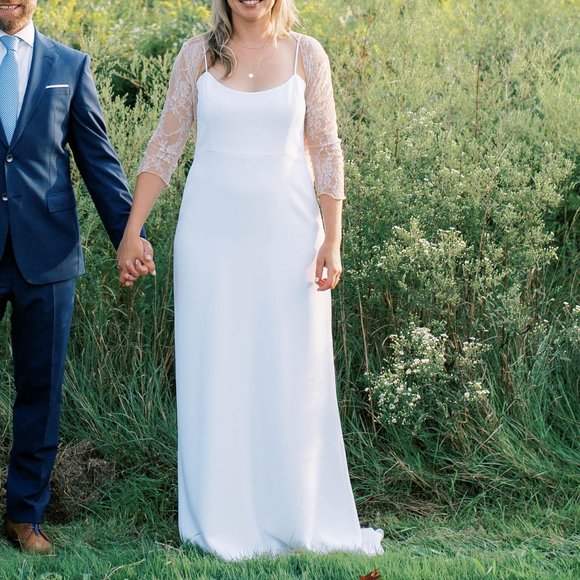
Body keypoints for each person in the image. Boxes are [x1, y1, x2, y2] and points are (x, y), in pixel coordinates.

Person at [117, 0, 383, 560]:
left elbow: (326, 148)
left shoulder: (308, 55)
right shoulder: (195, 55)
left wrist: (332, 240)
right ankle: (221, 518)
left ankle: (294, 513)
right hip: (209, 240)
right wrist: (132, 230)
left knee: (292, 369)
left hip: (291, 241)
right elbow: (166, 144)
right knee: (217, 369)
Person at [0, 0, 155, 554]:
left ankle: (26, 517)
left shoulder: (69, 65)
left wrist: (128, 235)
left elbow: (98, 158)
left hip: (48, 252)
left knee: (41, 389)